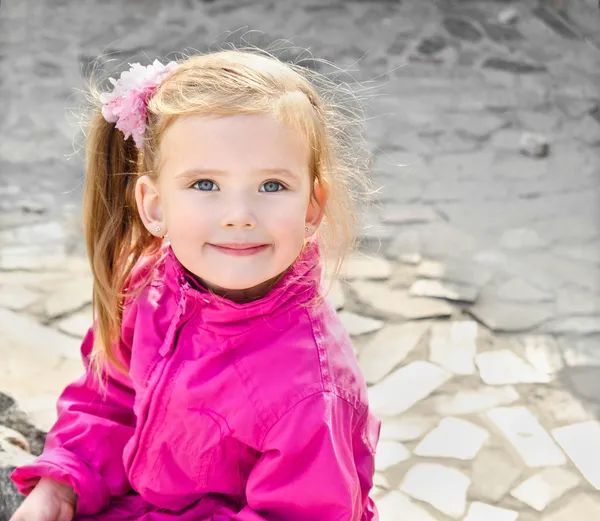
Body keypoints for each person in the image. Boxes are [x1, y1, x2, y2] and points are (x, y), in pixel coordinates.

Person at [9, 49, 381, 521]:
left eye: (271, 186)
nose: (239, 216)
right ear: (155, 204)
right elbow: (109, 397)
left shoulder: (310, 392)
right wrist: (62, 481)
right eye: (205, 184)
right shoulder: (150, 287)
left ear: (311, 205)